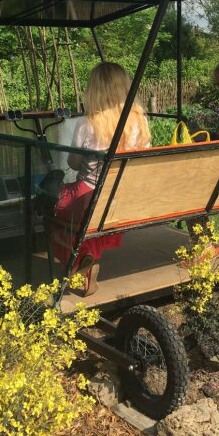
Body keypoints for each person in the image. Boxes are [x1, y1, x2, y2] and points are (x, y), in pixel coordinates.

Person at [53, 62, 151, 296]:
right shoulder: (139, 120)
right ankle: (88, 255)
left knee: (58, 209)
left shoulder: (86, 124)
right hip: (124, 197)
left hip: (91, 194)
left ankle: (82, 259)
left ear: (94, 90)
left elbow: (73, 163)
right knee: (97, 214)